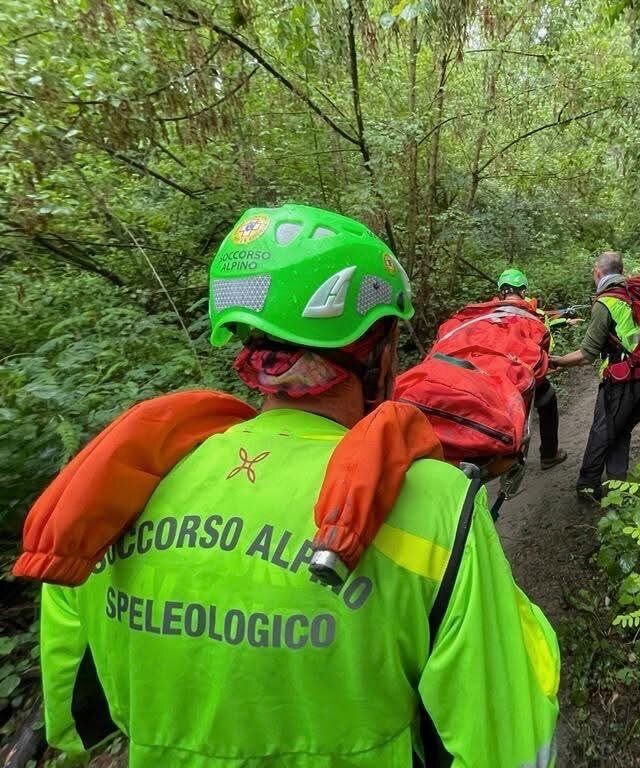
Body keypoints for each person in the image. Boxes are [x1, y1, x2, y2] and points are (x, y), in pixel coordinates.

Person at [36, 205, 559, 767]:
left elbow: (71, 721)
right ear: (382, 353)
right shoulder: (436, 502)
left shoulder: (111, 493)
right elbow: (511, 739)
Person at [549, 251, 640, 502]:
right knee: (621, 428)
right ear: (621, 270)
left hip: (625, 379)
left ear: (598, 272)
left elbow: (587, 354)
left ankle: (588, 486)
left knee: (603, 430)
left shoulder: (606, 302)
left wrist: (556, 362)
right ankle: (618, 485)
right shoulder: (637, 291)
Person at [496, 268, 568, 470]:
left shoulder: (491, 313)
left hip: (496, 374)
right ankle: (549, 455)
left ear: (501, 291)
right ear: (523, 290)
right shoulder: (530, 314)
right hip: (523, 373)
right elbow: (541, 347)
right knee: (548, 402)